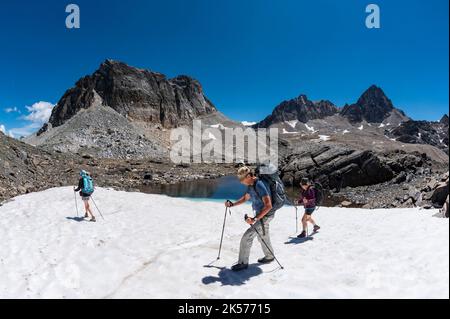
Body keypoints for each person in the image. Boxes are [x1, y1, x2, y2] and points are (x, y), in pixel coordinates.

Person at [225, 166, 276, 271]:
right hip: (261, 215)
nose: (241, 182)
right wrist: (232, 205)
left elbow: (268, 206)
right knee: (262, 235)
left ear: (248, 176)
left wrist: (255, 219)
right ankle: (270, 256)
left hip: (264, 215)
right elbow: (245, 198)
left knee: (247, 237)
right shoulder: (251, 185)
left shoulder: (259, 185)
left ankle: (243, 263)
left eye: (242, 179)